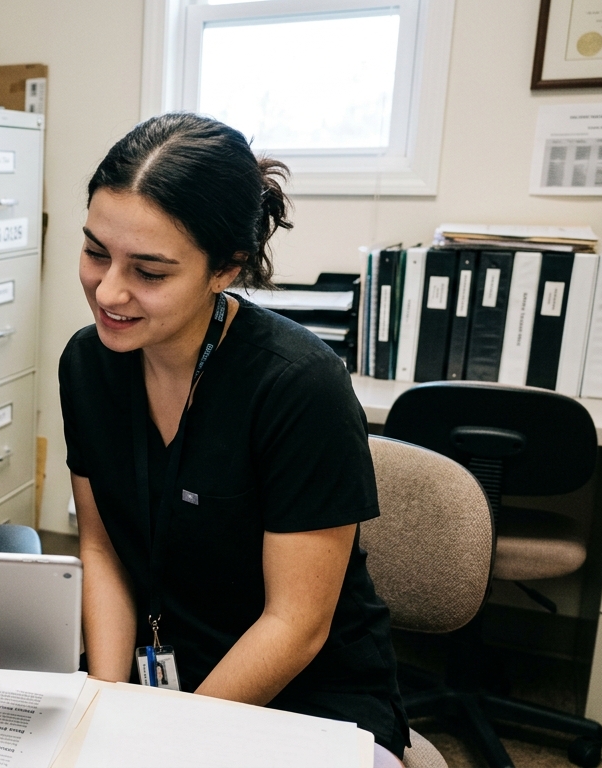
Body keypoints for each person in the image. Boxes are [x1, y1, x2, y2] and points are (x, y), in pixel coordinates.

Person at [58, 113, 409, 765]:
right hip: (159, 681)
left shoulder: (300, 386)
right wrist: (107, 705)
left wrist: (173, 738)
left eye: (150, 272)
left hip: (309, 700)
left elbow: (296, 625)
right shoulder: (88, 364)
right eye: (96, 252)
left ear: (225, 269)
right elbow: (100, 546)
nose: (108, 291)